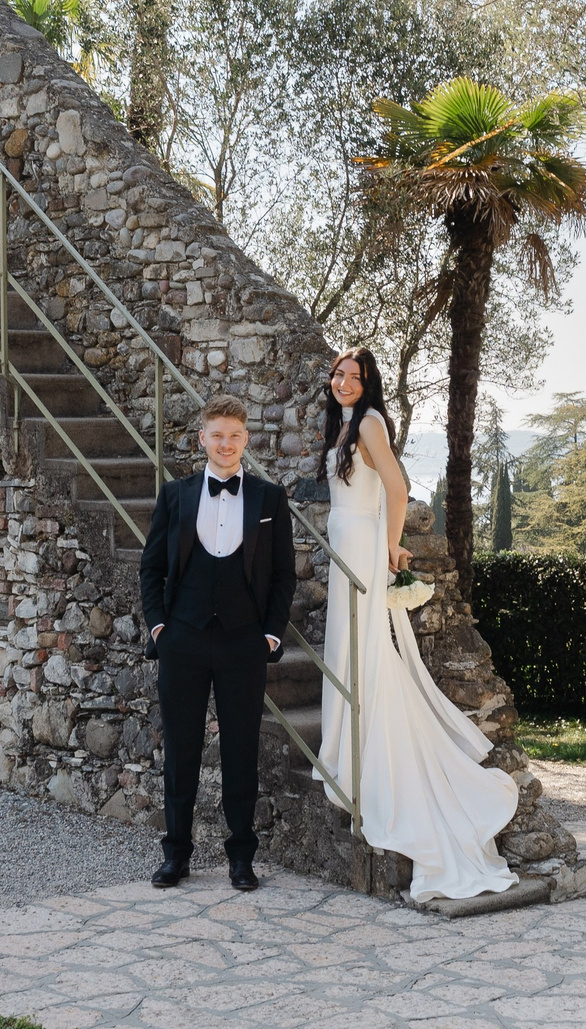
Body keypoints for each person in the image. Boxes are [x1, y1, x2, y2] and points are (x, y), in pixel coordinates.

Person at [317, 349, 519, 901]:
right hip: (344, 541)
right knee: (349, 647)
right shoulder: (341, 423)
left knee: (365, 649)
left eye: (354, 377)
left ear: (369, 384)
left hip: (361, 544)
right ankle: (344, 748)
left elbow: (398, 488)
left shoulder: (372, 423)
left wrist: (387, 548)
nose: (343, 382)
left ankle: (364, 757)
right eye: (338, 374)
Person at [139, 394, 296, 891]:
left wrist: (269, 634)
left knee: (241, 750)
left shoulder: (270, 499)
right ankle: (176, 855)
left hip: (243, 642)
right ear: (202, 438)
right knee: (181, 750)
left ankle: (241, 858)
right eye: (217, 435)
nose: (226, 444)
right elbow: (153, 567)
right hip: (182, 638)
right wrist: (160, 627)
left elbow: (284, 576)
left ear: (246, 440)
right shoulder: (176, 494)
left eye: (234, 436)